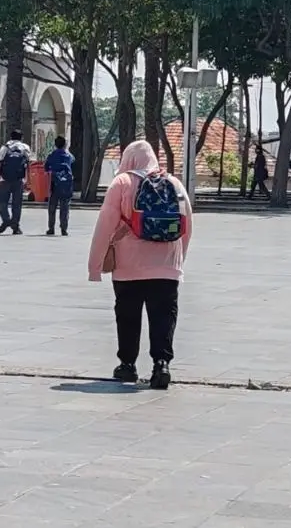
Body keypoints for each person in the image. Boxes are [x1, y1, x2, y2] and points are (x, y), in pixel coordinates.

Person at [87, 140, 193, 390]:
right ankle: (161, 365)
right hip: (166, 267)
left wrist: (95, 267)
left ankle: (127, 366)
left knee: (128, 316)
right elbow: (186, 225)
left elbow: (104, 227)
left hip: (128, 267)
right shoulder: (174, 183)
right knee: (164, 317)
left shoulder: (121, 183)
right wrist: (178, 262)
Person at [0, 129, 32, 235]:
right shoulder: (25, 148)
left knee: (2, 202)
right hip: (19, 180)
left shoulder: (5, 147)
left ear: (10, 137)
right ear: (21, 138)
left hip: (4, 179)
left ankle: (6, 220)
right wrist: (27, 180)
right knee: (17, 204)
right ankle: (15, 226)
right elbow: (28, 165)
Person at [44, 135, 75, 236]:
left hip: (55, 183)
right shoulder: (68, 155)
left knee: (52, 207)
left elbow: (46, 167)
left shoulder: (52, 155)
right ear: (65, 144)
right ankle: (64, 228)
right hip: (67, 184)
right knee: (65, 207)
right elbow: (73, 161)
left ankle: (51, 228)